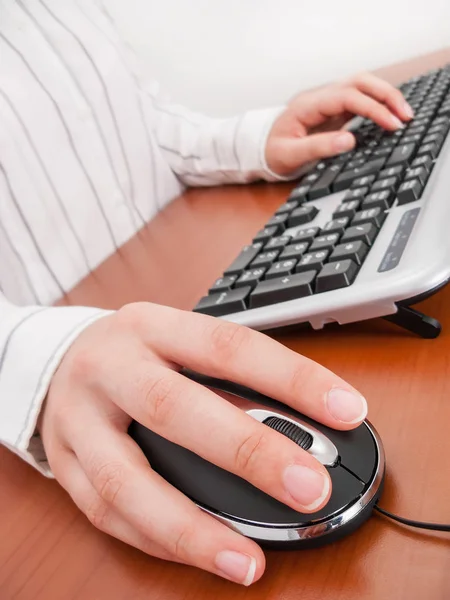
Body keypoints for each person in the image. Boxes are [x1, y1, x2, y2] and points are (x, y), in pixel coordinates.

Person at [0, 0, 413, 587]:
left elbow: (141, 125)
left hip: (184, 286)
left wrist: (254, 140)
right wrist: (45, 358)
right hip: (69, 384)